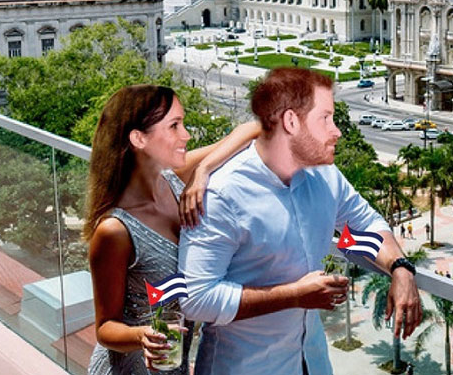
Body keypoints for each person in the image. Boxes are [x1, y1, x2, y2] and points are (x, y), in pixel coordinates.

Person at [180, 67, 422, 375]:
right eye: (325, 119)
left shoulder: (324, 175)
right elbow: (196, 298)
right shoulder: (222, 194)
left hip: (312, 359)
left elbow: (365, 223)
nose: (337, 131)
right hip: (244, 365)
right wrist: (294, 295)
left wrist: (400, 268)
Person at [84, 85, 261, 375]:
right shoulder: (115, 230)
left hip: (173, 366)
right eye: (174, 126)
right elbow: (105, 328)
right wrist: (141, 335)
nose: (186, 135)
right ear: (139, 138)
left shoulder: (175, 179)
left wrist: (204, 170)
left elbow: (252, 129)